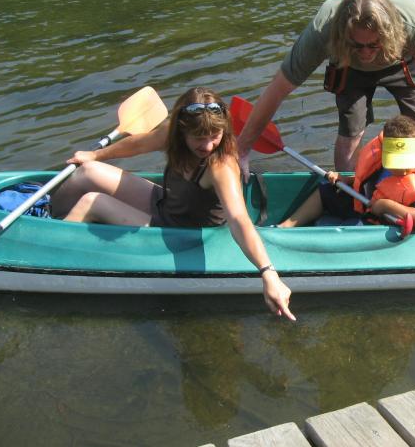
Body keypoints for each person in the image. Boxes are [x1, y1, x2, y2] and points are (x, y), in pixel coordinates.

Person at [51, 87, 295, 320]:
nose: (208, 146)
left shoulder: (221, 166)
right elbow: (138, 144)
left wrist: (268, 273)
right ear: (182, 130)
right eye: (199, 138)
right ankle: (51, 217)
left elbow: (239, 218)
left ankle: (51, 251)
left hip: (180, 229)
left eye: (215, 136)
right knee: (88, 172)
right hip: (167, 202)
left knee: (93, 202)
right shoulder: (172, 134)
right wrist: (94, 155)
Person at [237, 0, 415, 173]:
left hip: (401, 57)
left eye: (372, 44)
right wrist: (242, 150)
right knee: (350, 134)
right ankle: (350, 191)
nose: (366, 53)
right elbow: (278, 89)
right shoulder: (323, 31)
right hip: (347, 61)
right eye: (358, 44)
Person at [278, 115, 415, 231]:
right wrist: (347, 180)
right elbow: (371, 180)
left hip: (384, 220)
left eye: (407, 163)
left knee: (354, 229)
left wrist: (386, 205)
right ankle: (284, 227)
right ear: (384, 153)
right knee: (326, 190)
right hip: (364, 203)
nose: (404, 169)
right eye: (397, 163)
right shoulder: (379, 159)